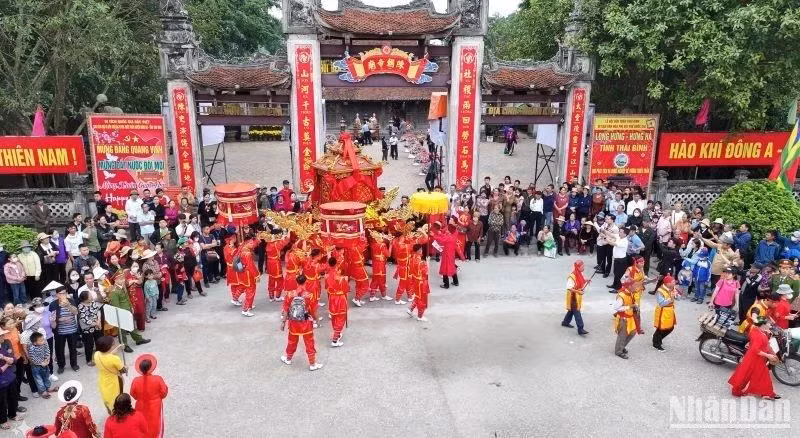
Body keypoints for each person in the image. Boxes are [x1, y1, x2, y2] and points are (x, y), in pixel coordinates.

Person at [728, 317, 779, 399]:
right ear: (763, 325)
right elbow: (756, 350)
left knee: (761, 375)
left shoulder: (759, 331)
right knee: (747, 375)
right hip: (754, 359)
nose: (770, 325)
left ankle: (767, 393)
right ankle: (737, 390)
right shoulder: (758, 335)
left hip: (757, 358)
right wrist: (768, 355)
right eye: (768, 324)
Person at [280, 275, 323, 371]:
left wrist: (283, 323)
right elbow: (314, 310)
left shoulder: (290, 294)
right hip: (306, 323)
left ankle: (288, 359)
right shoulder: (309, 295)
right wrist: (317, 321)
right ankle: (312, 364)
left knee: (291, 341)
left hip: (293, 323)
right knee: (309, 343)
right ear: (306, 282)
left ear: (296, 282)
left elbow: (286, 310)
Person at [108, 273, 150, 352]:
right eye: (120, 279)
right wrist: (121, 315)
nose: (122, 280)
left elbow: (127, 298)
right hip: (121, 312)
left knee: (131, 326)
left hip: (127, 310)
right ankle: (124, 345)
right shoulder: (114, 291)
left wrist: (131, 307)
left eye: (123, 278)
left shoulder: (122, 287)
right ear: (115, 280)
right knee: (122, 330)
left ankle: (138, 339)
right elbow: (116, 305)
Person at [130, 354, 168, 438]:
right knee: (156, 423)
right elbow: (164, 392)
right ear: (151, 367)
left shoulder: (136, 381)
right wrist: (158, 397)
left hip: (141, 405)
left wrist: (139, 398)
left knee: (142, 423)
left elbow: (132, 393)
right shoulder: (158, 379)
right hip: (156, 405)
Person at [48, 286, 79, 374]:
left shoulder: (71, 301)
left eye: (65, 293)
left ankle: (74, 364)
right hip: (60, 331)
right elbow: (51, 318)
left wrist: (68, 305)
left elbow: (76, 312)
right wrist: (62, 319)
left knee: (73, 348)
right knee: (59, 349)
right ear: (57, 294)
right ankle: (61, 365)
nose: (64, 295)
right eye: (61, 293)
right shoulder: (53, 304)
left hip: (72, 330)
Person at [0, 323, 22, 430]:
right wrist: (7, 364)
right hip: (1, 380)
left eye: (3, 335)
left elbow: (14, 358)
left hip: (10, 376)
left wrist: (9, 360)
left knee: (13, 396)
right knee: (1, 401)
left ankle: (12, 414)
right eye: (1, 336)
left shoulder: (5, 343)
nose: (3, 337)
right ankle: (3, 420)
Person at [562, 260, 590, 336]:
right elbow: (569, 288)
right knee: (577, 311)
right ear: (578, 267)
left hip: (576, 296)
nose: (584, 268)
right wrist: (578, 292)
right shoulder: (571, 277)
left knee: (572, 310)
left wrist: (587, 280)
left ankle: (565, 322)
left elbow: (582, 280)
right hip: (572, 297)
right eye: (582, 267)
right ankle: (580, 328)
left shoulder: (580, 273)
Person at [325, 258, 348, 347]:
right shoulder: (341, 279)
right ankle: (335, 340)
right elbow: (346, 290)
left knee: (334, 317)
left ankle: (337, 334)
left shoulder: (327, 275)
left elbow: (326, 287)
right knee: (340, 319)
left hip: (332, 299)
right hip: (340, 300)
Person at [612, 279, 637, 359]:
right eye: (634, 285)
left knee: (632, 332)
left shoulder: (630, 293)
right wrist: (630, 307)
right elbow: (616, 308)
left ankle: (621, 346)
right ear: (629, 286)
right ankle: (618, 351)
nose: (636, 287)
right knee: (622, 335)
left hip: (629, 317)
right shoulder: (622, 295)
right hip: (623, 318)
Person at [77, 291, 102, 367]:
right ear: (85, 298)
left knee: (99, 342)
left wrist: (99, 321)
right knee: (89, 344)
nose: (91, 296)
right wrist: (96, 323)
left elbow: (98, 311)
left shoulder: (93, 303)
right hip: (87, 328)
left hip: (97, 326)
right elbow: (85, 319)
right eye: (90, 295)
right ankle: (89, 360)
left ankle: (99, 357)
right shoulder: (80, 306)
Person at [652, 275, 677, 351]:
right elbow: (661, 303)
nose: (674, 283)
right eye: (673, 282)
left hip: (670, 311)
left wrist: (676, 295)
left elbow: (678, 297)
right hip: (662, 311)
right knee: (661, 328)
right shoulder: (660, 291)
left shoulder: (672, 288)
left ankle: (656, 338)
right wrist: (670, 299)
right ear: (668, 283)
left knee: (670, 327)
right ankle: (656, 344)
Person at [407, 244, 431, 321]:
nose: (422, 251)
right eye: (421, 249)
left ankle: (410, 309)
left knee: (417, 297)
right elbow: (426, 272)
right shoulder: (421, 262)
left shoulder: (412, 258)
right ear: (419, 251)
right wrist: (427, 262)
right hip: (421, 282)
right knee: (422, 299)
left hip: (415, 281)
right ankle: (420, 316)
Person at [432, 224, 458, 288]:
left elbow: (441, 239)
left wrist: (434, 235)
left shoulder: (449, 237)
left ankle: (446, 284)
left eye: (447, 230)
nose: (446, 231)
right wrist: (440, 234)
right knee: (452, 267)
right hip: (451, 254)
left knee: (445, 269)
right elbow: (444, 236)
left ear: (449, 231)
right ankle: (456, 282)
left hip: (446, 254)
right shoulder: (454, 234)